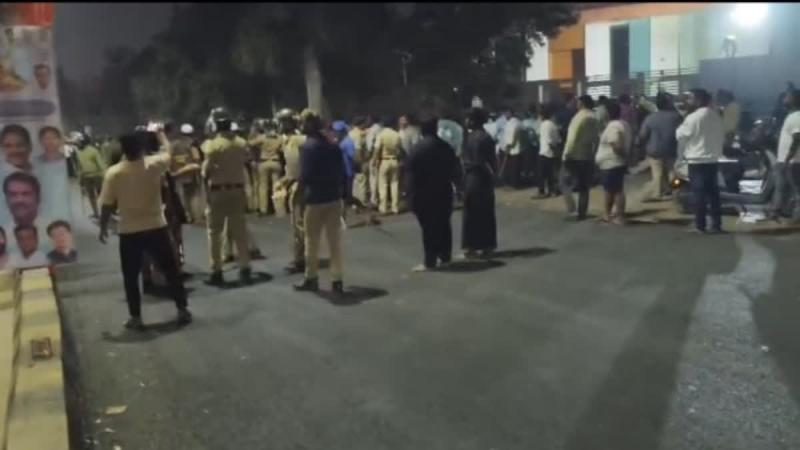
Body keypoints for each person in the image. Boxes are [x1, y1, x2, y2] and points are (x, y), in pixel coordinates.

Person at [98, 131, 191, 330]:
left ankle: (136, 317)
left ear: (123, 150)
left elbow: (107, 205)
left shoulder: (114, 173)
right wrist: (162, 136)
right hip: (156, 226)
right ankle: (182, 309)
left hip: (129, 230)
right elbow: (169, 153)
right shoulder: (154, 164)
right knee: (171, 270)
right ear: (141, 148)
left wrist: (103, 227)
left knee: (131, 276)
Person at [293, 109, 346, 295]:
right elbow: (341, 172)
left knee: (311, 240)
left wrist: (298, 197)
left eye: (302, 123)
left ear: (309, 125)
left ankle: (311, 278)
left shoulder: (307, 147)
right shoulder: (333, 145)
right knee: (334, 242)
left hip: (314, 199)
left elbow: (305, 176)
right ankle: (337, 280)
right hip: (333, 197)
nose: (300, 126)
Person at [201, 108, 252, 285]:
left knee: (214, 232)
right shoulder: (241, 143)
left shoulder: (212, 145)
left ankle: (216, 270)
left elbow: (205, 171)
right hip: (237, 190)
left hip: (218, 191)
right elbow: (247, 158)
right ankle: (245, 266)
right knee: (239, 230)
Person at [405, 114, 461, 271]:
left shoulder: (417, 150)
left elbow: (410, 176)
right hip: (444, 191)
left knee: (428, 228)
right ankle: (445, 256)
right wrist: (458, 189)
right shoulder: (446, 147)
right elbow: (455, 171)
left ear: (422, 130)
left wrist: (409, 196)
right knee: (444, 224)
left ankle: (430, 260)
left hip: (423, 194)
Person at [676, 88, 725, 234]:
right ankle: (716, 225)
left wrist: (679, 158)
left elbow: (681, 137)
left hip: (696, 161)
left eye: (690, 98)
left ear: (698, 100)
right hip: (712, 160)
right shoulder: (716, 116)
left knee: (699, 194)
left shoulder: (693, 118)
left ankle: (700, 225)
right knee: (713, 194)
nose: (688, 101)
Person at [460, 108, 497, 259]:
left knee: (470, 213)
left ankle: (471, 247)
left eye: (468, 118)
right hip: (484, 177)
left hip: (471, 177)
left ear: (473, 120)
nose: (466, 121)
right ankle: (487, 246)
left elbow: (464, 159)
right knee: (486, 212)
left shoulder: (468, 137)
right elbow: (492, 161)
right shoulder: (486, 137)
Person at [277, 108, 307, 274]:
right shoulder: (292, 139)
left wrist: (286, 180)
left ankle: (301, 259)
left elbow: (295, 169)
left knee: (299, 224)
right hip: (302, 184)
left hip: (299, 186)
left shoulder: (295, 141)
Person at [562, 95, 600, 220]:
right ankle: (582, 212)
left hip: (574, 155)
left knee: (564, 182)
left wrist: (566, 154)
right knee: (584, 187)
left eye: (578, 102)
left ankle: (572, 210)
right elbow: (597, 138)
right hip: (587, 155)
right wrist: (594, 154)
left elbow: (571, 138)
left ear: (582, 104)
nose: (576, 104)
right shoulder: (594, 117)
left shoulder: (578, 117)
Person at [638, 92, 683, 202]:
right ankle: (675, 191)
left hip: (654, 150)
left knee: (657, 174)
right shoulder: (677, 117)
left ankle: (657, 193)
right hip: (672, 149)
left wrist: (641, 146)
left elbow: (643, 135)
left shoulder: (650, 118)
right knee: (673, 173)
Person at [595, 101, 633, 225]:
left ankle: (619, 216)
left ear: (607, 112)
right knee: (611, 190)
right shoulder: (623, 124)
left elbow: (616, 144)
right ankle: (608, 214)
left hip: (612, 163)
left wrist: (622, 155)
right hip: (614, 163)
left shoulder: (613, 126)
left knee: (616, 191)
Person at [771, 88, 800, 221]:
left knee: (795, 190)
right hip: (785, 160)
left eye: (787, 96)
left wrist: (788, 159)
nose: (784, 98)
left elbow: (797, 138)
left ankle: (796, 216)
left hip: (793, 161)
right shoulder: (791, 116)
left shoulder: (797, 116)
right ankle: (777, 212)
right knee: (781, 188)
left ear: (795, 99)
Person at [167, 123, 202, 223]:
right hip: (191, 173)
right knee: (192, 196)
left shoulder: (173, 144)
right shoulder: (192, 144)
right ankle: (194, 216)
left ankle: (184, 215)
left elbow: (168, 158)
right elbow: (197, 158)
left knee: (181, 196)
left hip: (176, 174)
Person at [250, 118, 283, 216]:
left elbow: (250, 143)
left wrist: (260, 147)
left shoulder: (262, 137)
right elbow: (282, 149)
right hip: (276, 162)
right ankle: (279, 209)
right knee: (276, 186)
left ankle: (263, 209)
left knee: (263, 187)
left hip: (264, 162)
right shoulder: (279, 138)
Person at [374, 116, 403, 215]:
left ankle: (383, 208)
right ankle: (395, 208)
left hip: (384, 160)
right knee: (395, 184)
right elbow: (400, 149)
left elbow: (377, 149)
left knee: (383, 185)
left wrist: (375, 160)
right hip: (394, 160)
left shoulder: (381, 134)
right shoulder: (397, 134)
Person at [74, 132, 106, 218]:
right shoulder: (78, 152)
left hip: (97, 176)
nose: (78, 143)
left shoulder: (93, 150)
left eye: (79, 141)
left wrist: (105, 175)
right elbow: (79, 167)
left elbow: (100, 164)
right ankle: (96, 213)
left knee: (101, 195)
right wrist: (80, 180)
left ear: (84, 142)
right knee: (91, 196)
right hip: (86, 177)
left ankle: (104, 213)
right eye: (78, 141)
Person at [537, 104, 561, 198]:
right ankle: (553, 191)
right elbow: (558, 140)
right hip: (552, 152)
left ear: (542, 115)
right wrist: (556, 152)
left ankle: (541, 192)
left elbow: (548, 140)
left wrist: (552, 149)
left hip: (545, 152)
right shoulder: (553, 125)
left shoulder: (544, 125)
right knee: (551, 174)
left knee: (542, 174)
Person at [333, 121, 355, 212]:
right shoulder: (339, 141)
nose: (335, 133)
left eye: (336, 131)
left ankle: (343, 214)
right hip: (340, 172)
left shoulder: (348, 142)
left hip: (347, 172)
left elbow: (352, 156)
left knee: (344, 196)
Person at [501, 110, 523, 188]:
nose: (505, 115)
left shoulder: (511, 123)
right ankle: (515, 183)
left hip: (512, 148)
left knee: (512, 168)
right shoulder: (518, 122)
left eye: (506, 113)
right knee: (515, 168)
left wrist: (508, 147)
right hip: (517, 148)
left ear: (510, 114)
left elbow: (511, 137)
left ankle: (513, 184)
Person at [365, 116, 383, 208]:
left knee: (373, 179)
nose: (367, 121)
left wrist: (368, 157)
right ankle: (380, 199)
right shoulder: (381, 129)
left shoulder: (372, 130)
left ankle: (374, 200)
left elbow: (371, 145)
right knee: (380, 179)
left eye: (368, 120)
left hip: (374, 156)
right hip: (382, 156)